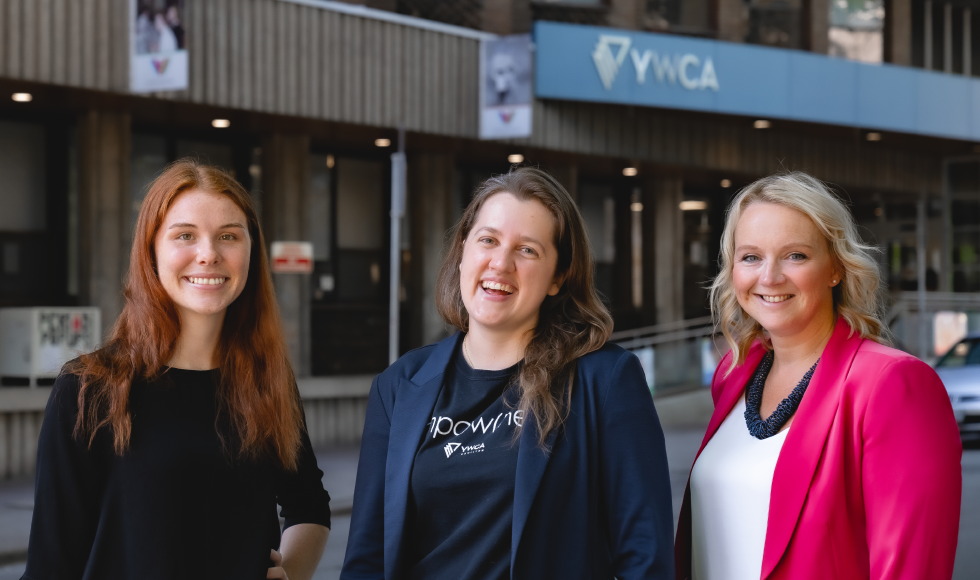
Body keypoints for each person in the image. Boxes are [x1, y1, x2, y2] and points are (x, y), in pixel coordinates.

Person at [341, 167, 674, 580]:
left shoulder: (604, 381)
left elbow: (646, 555)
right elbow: (367, 559)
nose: (500, 263)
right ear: (463, 251)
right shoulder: (398, 386)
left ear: (558, 277)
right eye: (488, 240)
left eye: (527, 250)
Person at [24, 160, 331, 580]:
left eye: (229, 236)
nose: (208, 254)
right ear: (151, 251)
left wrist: (292, 572)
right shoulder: (88, 388)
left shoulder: (266, 379)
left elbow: (308, 505)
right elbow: (50, 567)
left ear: (250, 253)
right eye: (185, 235)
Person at [674, 173, 962, 580]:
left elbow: (913, 568)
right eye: (751, 257)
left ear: (835, 269)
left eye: (795, 255)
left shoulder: (891, 384)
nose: (769, 277)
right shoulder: (735, 374)